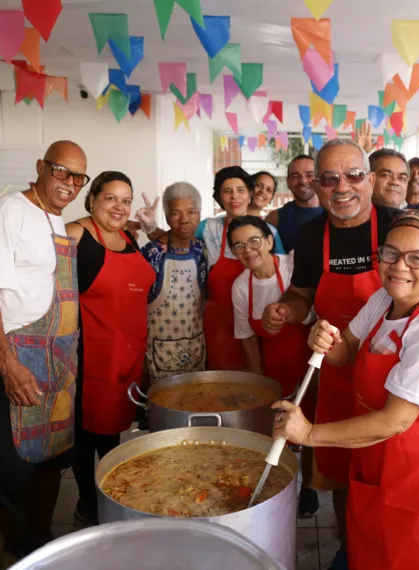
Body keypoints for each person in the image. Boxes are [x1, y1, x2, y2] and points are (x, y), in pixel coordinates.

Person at [273, 209, 419, 570]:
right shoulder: (384, 300)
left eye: (417, 258)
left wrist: (307, 433)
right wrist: (324, 337)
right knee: (373, 554)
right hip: (383, 457)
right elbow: (345, 351)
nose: (400, 266)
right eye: (391, 254)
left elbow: (396, 421)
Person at [262, 138, 401, 570]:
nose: (342, 187)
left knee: (391, 471)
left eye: (354, 175)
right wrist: (286, 309)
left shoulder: (401, 225)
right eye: (329, 178)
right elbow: (303, 294)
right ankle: (351, 550)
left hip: (393, 376)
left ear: (372, 180)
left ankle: (392, 552)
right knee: (342, 471)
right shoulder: (311, 234)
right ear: (317, 187)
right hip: (337, 374)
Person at [0, 141, 88, 555]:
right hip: (17, 354)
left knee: (53, 458)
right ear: (40, 167)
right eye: (61, 172)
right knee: (11, 468)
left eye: (77, 177)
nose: (69, 184)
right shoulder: (9, 212)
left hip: (57, 360)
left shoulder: (55, 220)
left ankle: (38, 545)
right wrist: (7, 365)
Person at [64, 172, 154, 526]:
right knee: (91, 433)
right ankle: (90, 502)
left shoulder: (128, 236)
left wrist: (149, 226)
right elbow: (37, 269)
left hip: (128, 353)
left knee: (113, 430)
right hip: (94, 354)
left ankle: (115, 496)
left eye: (125, 199)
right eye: (110, 198)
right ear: (92, 200)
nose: (119, 206)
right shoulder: (76, 234)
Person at [228, 215, 319, 517]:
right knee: (277, 431)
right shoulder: (241, 287)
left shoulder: (293, 266)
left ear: (269, 241)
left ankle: (309, 489)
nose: (248, 250)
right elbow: (249, 341)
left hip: (310, 366)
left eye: (254, 240)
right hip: (273, 370)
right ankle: (277, 490)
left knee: (311, 430)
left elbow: (314, 313)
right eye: (238, 246)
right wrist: (261, 389)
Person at [200, 166, 284, 371]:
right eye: (227, 191)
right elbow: (177, 234)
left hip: (261, 322)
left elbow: (282, 270)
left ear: (249, 195)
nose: (234, 197)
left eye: (240, 190)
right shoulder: (208, 228)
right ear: (219, 198)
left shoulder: (268, 231)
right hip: (220, 327)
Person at [137, 183, 208, 381]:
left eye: (191, 212)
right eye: (176, 213)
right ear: (167, 217)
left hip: (196, 350)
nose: (185, 220)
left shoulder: (203, 251)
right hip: (158, 354)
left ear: (199, 213)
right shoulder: (151, 254)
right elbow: (135, 306)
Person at [266, 155, 324, 253]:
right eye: (295, 176)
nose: (303, 181)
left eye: (309, 175)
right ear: (288, 182)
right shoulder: (274, 218)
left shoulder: (334, 213)